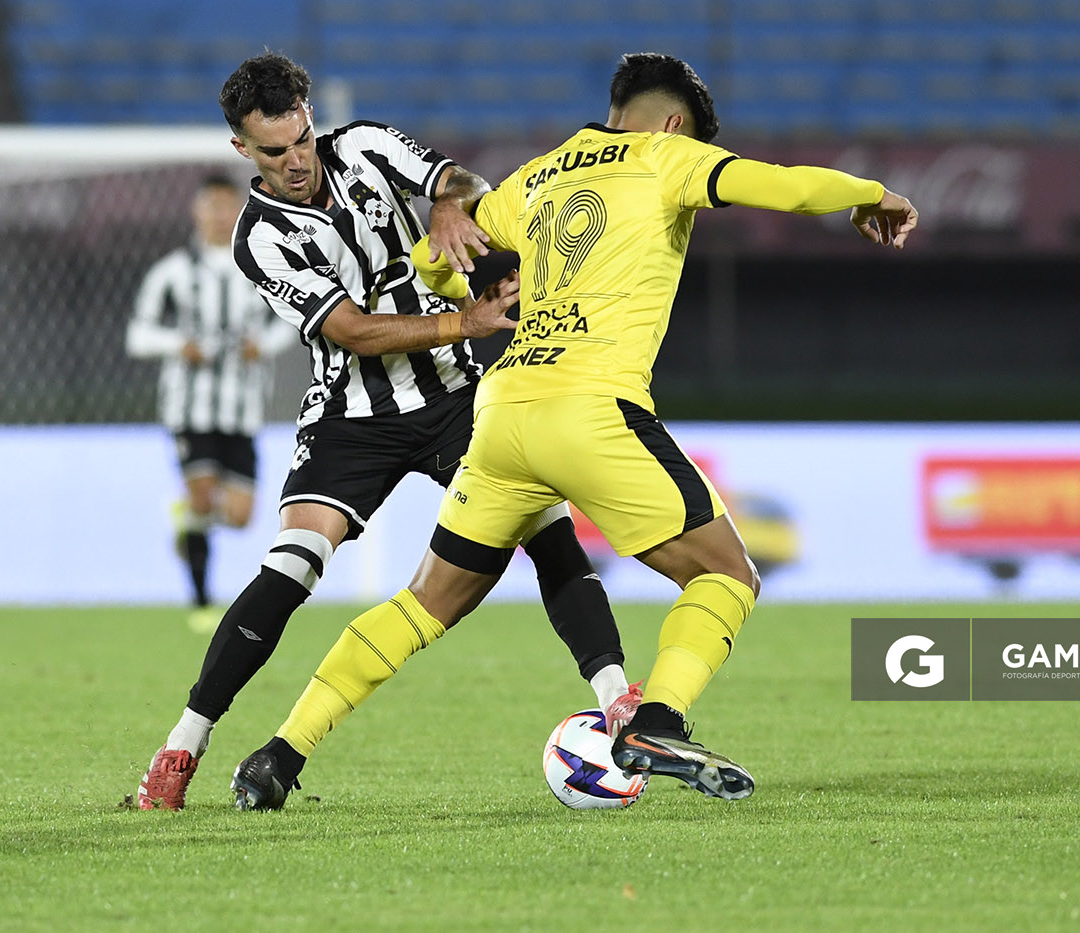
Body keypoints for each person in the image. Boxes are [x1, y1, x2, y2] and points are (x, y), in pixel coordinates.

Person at [229, 52, 918, 810]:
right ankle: (657, 721)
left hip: (502, 408)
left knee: (426, 601)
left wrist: (472, 284)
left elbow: (432, 259)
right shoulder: (667, 157)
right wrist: (872, 192)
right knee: (726, 573)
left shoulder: (538, 174)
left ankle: (280, 753)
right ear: (673, 123)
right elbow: (785, 184)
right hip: (592, 406)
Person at [136, 52, 636, 811]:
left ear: (310, 116)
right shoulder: (259, 237)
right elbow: (351, 330)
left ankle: (618, 705)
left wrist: (447, 201)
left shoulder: (366, 144)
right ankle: (181, 746)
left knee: (549, 528)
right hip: (350, 418)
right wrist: (463, 319)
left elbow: (466, 184)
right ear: (243, 150)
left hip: (457, 398)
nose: (297, 159)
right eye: (275, 151)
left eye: (302, 138)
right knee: (291, 569)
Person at [126, 174, 296, 634]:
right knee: (202, 493)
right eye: (212, 207)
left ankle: (187, 518)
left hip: (242, 408)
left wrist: (263, 346)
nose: (220, 216)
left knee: (240, 518)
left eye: (227, 206)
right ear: (196, 211)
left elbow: (291, 322)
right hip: (190, 408)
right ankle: (201, 602)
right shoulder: (172, 272)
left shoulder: (261, 268)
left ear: (238, 210)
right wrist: (179, 345)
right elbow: (138, 335)